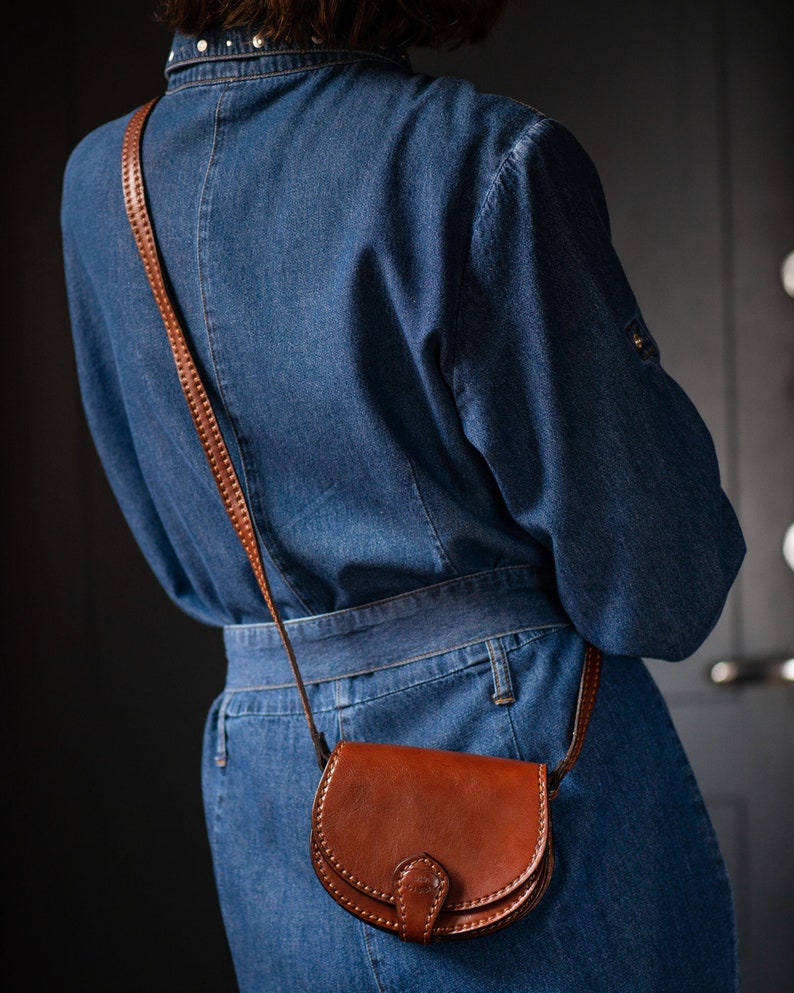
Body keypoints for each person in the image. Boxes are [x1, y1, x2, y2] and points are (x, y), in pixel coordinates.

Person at [60, 2, 746, 990]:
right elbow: (656, 583)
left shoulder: (99, 184)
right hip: (514, 757)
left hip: (268, 767)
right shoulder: (480, 157)